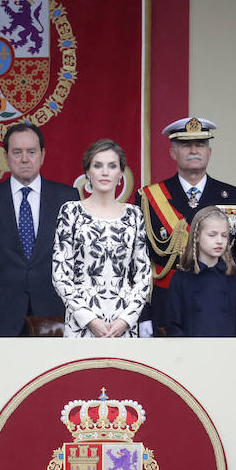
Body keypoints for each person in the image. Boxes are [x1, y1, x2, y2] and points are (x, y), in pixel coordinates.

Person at [136, 117, 236, 336]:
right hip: (165, 308)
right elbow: (139, 262)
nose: (194, 150)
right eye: (185, 145)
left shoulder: (235, 198)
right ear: (172, 152)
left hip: (221, 307)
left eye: (200, 145)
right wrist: (143, 314)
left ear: (209, 152)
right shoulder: (148, 198)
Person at [0, 123, 79, 336]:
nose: (24, 159)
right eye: (17, 152)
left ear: (42, 155)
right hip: (1, 314)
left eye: (31, 152)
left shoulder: (68, 197)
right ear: (6, 156)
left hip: (54, 313)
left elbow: (76, 259)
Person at [52, 139, 151, 337]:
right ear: (87, 172)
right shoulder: (71, 211)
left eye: (112, 166)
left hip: (123, 323)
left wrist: (126, 319)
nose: (105, 172)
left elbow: (143, 275)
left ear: (121, 173)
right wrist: (90, 319)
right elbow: (60, 274)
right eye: (98, 165)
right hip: (81, 323)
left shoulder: (134, 214)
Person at [166, 205, 236, 337]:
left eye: (224, 236)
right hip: (190, 349)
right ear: (196, 236)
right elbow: (173, 326)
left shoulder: (234, 279)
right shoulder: (181, 278)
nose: (219, 241)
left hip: (228, 349)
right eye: (212, 235)